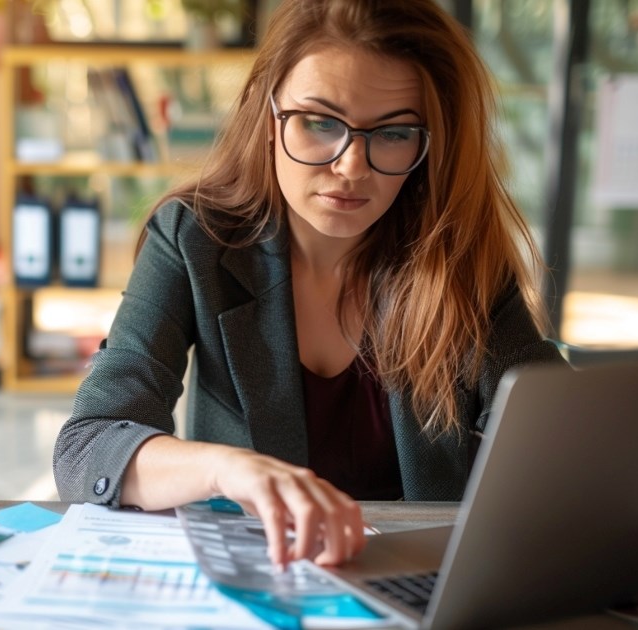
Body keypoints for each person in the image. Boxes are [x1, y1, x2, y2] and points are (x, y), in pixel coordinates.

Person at [53, 0, 565, 571]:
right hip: (260, 577)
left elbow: (559, 432)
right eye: (320, 122)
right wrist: (226, 467)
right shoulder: (193, 239)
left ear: (429, 148)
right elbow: (88, 447)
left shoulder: (458, 256)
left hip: (420, 583)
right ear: (267, 115)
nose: (350, 167)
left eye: (393, 132)